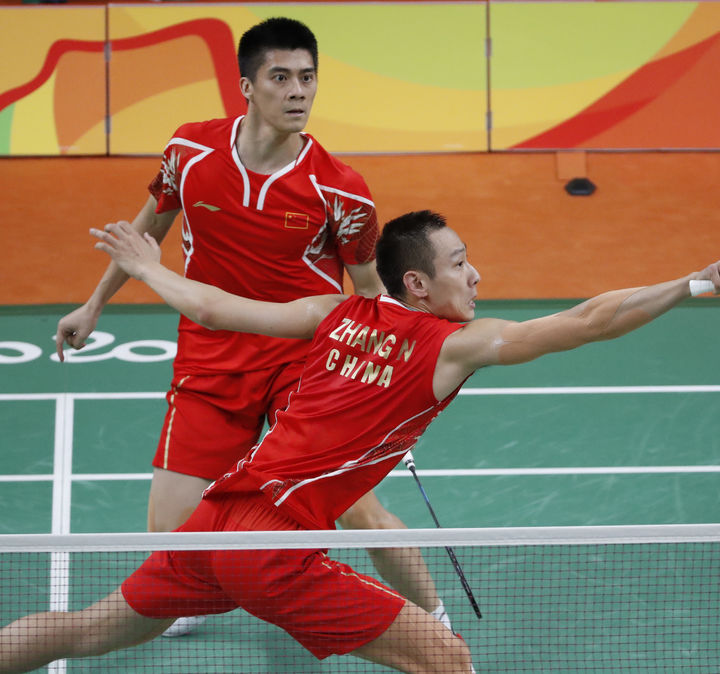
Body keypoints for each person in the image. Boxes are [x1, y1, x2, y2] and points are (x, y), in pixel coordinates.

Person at [0, 211, 720, 673]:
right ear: (418, 285)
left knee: (85, 630)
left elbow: (216, 309)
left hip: (217, 522)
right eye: (459, 263)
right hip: (274, 547)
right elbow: (589, 321)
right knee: (447, 659)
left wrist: (145, 268)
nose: (476, 275)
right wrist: (691, 283)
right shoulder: (452, 347)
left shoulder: (334, 310)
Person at [52, 17, 448, 635]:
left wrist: (381, 388)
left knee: (359, 512)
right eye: (280, 77)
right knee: (169, 534)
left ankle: (435, 614)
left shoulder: (341, 190)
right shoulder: (190, 152)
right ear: (246, 86)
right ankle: (188, 599)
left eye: (307, 78)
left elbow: (371, 294)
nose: (298, 92)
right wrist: (94, 303)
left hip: (303, 361)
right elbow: (147, 228)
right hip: (211, 357)